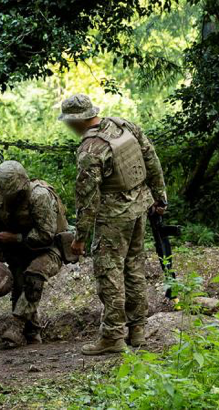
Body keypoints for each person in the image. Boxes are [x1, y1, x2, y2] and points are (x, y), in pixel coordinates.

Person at [59, 93, 167, 355]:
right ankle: (137, 330)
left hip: (113, 218)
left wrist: (80, 236)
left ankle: (113, 336)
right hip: (140, 207)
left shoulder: (90, 150)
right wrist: (160, 197)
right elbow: (151, 159)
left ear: (75, 121)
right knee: (133, 268)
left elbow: (87, 199)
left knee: (110, 274)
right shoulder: (122, 126)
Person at [0, 161, 69, 348]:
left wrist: (16, 238)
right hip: (19, 250)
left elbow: (46, 234)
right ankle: (32, 332)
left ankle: (16, 327)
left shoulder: (38, 197)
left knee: (34, 276)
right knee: (19, 285)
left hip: (50, 247)